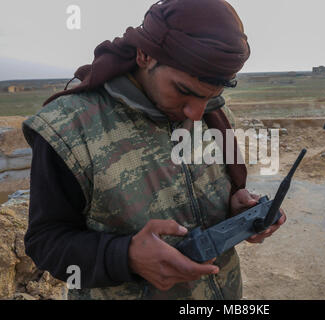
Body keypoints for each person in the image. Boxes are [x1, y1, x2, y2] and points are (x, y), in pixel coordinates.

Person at [22, 0, 286, 300]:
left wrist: (235, 212)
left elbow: (208, 197)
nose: (196, 112)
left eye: (212, 96)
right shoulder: (69, 129)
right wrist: (127, 256)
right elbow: (46, 243)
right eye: (183, 91)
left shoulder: (213, 115)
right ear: (145, 55)